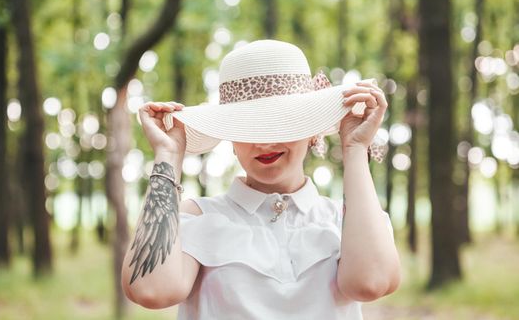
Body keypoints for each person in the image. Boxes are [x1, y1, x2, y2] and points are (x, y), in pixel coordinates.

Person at [121, 40, 401, 319]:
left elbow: (370, 283)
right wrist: (168, 156)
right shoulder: (198, 217)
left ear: (313, 131)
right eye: (248, 126)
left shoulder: (346, 221)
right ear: (229, 137)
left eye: (283, 122)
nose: (265, 143)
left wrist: (354, 149)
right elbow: (151, 290)